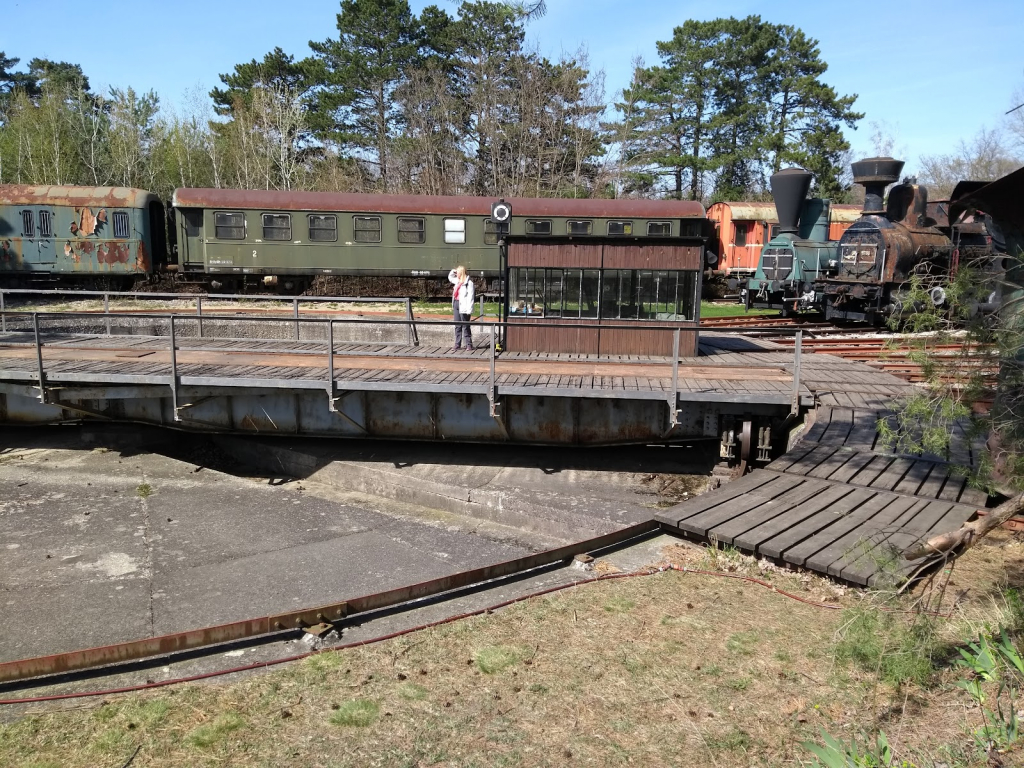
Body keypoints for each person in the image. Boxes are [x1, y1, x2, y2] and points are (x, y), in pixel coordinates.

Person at [448, 265, 475, 350]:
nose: (457, 274)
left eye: (458, 273)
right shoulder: (457, 281)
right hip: (456, 304)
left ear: (462, 273)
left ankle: (469, 344)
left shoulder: (469, 283)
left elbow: (471, 297)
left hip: (464, 306)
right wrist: (453, 271)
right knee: (457, 325)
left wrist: (469, 310)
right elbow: (450, 277)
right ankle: (457, 344)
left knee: (465, 326)